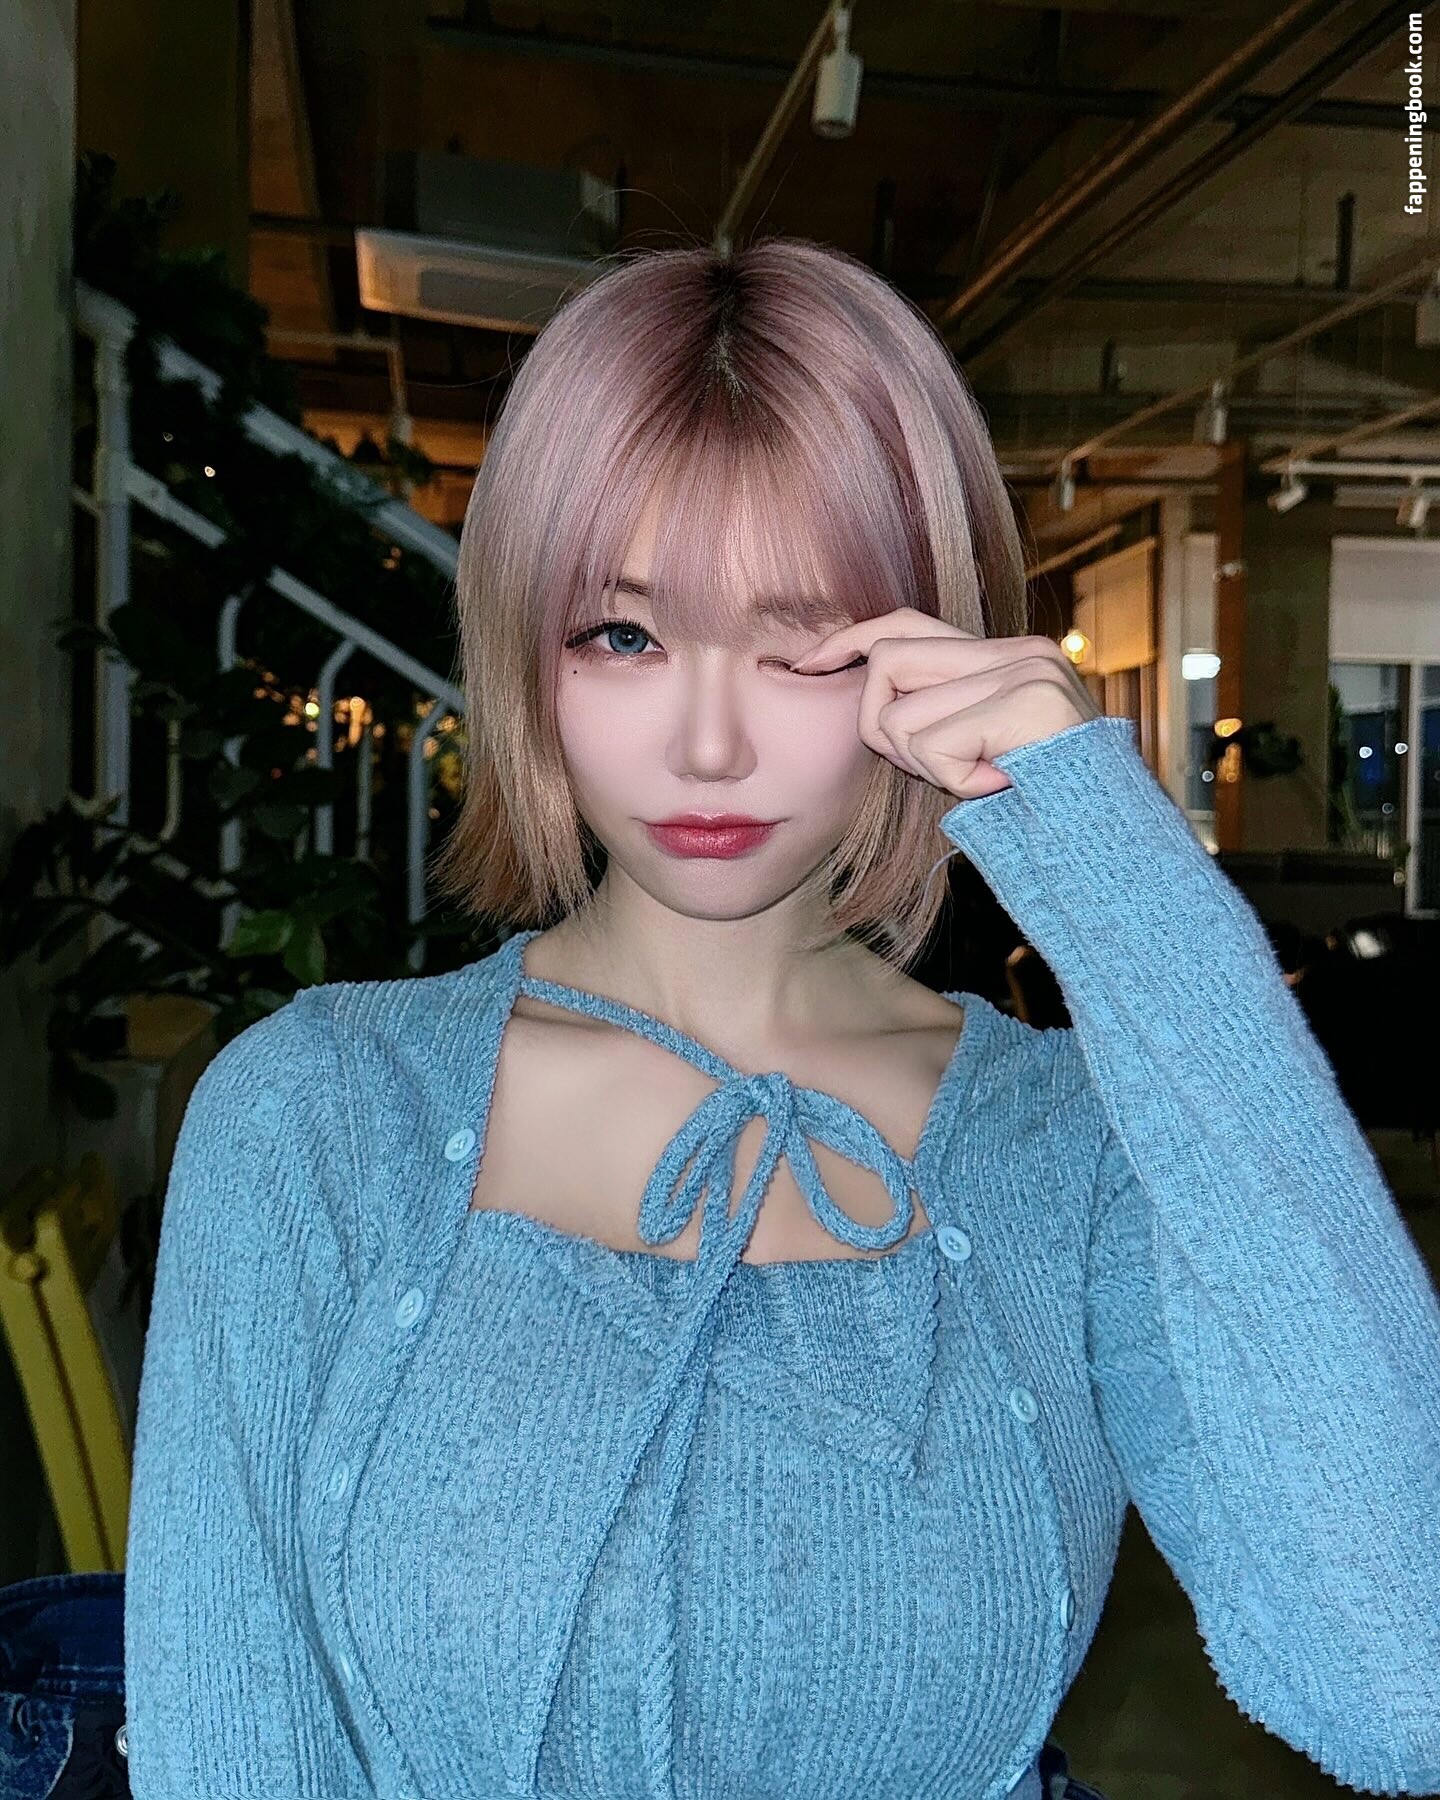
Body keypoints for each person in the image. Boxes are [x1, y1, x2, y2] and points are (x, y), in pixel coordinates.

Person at [120, 237, 1440, 1800]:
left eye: (801, 645)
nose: (709, 744)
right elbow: (230, 1744)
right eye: (623, 635)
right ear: (527, 654)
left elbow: (1403, 1682)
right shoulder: (321, 1115)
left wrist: (1122, 878)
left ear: (929, 648)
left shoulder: (1067, 1153)